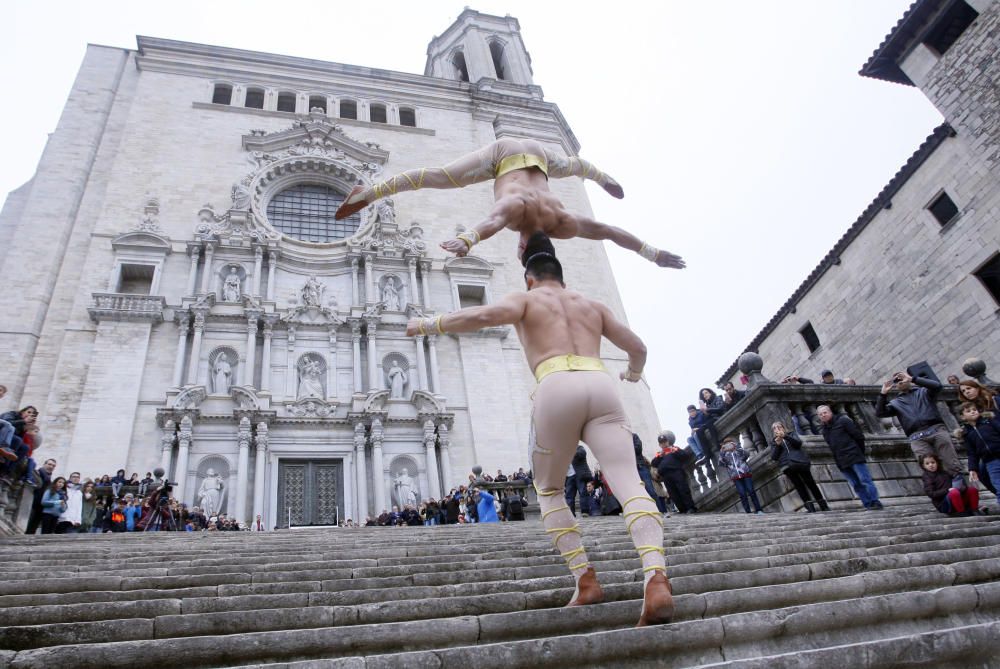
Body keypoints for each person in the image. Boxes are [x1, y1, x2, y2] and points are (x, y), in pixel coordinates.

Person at [404, 231, 671, 626]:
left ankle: (586, 579)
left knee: (548, 491)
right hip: (601, 386)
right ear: (561, 274)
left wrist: (429, 324)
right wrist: (632, 373)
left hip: (555, 386)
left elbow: (479, 316)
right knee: (631, 484)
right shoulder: (592, 305)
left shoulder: (526, 299)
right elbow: (639, 348)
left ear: (529, 277)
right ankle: (656, 575)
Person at [335, 137, 684, 270]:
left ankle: (603, 176)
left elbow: (608, 230)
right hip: (503, 157)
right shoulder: (517, 214)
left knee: (574, 167)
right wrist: (467, 240)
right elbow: (493, 221)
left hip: (540, 158)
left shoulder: (561, 222)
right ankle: (368, 194)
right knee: (437, 177)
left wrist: (652, 253)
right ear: (521, 246)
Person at [876, 371, 961, 476]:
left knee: (951, 463)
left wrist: (912, 378)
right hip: (916, 436)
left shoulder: (924, 392)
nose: (900, 382)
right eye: (896, 381)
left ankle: (959, 485)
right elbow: (879, 413)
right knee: (929, 469)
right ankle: (943, 490)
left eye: (901, 378)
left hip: (936, 429)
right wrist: (883, 393)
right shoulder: (895, 403)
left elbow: (937, 386)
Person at [817, 405, 883, 510]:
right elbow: (832, 447)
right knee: (856, 485)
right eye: (820, 414)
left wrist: (859, 452)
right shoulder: (825, 431)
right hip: (842, 461)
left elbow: (859, 436)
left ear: (830, 412)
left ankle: (875, 501)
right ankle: (867, 504)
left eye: (825, 412)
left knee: (865, 480)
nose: (823, 415)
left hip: (854, 455)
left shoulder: (843, 421)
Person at [769, 421, 828, 512]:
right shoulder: (774, 441)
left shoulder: (791, 434)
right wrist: (778, 445)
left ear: (783, 427)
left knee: (810, 483)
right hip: (787, 466)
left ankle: (823, 505)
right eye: (774, 428)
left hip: (800, 461)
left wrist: (785, 436)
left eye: (779, 427)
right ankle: (809, 506)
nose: (777, 429)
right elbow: (774, 457)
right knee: (799, 485)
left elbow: (798, 443)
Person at [958, 402, 1000, 509]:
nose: (973, 411)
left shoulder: (989, 421)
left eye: (974, 409)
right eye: (968, 411)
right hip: (990, 462)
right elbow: (972, 453)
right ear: (963, 417)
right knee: (998, 486)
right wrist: (973, 469)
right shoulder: (966, 433)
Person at [651, 432, 696, 514]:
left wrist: (675, 451)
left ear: (668, 442)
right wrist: (659, 456)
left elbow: (685, 455)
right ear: (659, 444)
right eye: (662, 443)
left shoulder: (675, 449)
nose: (664, 444)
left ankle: (690, 507)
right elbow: (653, 463)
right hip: (665, 476)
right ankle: (682, 509)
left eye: (665, 442)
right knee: (673, 493)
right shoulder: (659, 454)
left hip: (676, 472)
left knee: (683, 490)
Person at [718, 437, 764, 514]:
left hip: (745, 473)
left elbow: (746, 455)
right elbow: (721, 463)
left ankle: (758, 509)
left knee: (751, 491)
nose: (729, 446)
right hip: (735, 476)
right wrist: (722, 452)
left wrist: (737, 447)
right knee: (742, 494)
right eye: (727, 444)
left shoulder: (738, 451)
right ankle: (748, 511)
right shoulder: (725, 455)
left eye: (730, 444)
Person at [25, 458, 56, 534]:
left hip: (41, 506)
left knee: (33, 527)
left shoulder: (50, 480)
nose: (51, 466)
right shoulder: (37, 473)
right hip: (32, 503)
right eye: (49, 464)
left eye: (53, 466)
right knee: (28, 524)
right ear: (44, 464)